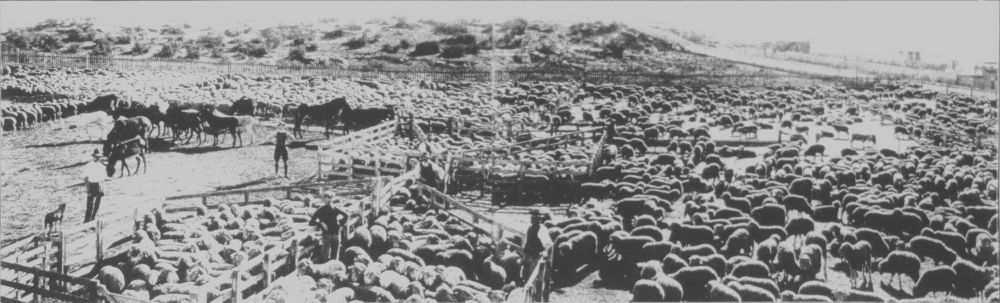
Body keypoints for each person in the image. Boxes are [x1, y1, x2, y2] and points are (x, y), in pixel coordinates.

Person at [309, 198, 349, 262]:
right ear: (324, 200)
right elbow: (311, 222)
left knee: (333, 256)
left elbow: (346, 215)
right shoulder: (321, 210)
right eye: (326, 198)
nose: (328, 200)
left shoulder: (333, 208)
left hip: (334, 234)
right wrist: (320, 223)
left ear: (332, 199)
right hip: (328, 235)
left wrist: (340, 223)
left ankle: (333, 270)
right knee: (326, 256)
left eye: (329, 198)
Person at [521, 207, 553, 285]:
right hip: (527, 255)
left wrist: (544, 253)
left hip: (535, 257)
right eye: (531, 217)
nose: (531, 219)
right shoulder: (529, 227)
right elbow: (526, 240)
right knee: (525, 275)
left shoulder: (542, 229)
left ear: (539, 218)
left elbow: (548, 244)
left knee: (534, 277)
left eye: (534, 218)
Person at [80, 149, 109, 223]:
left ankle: (93, 220)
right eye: (96, 156)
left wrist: (103, 187)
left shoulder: (101, 165)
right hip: (92, 185)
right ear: (93, 157)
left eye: (99, 157)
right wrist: (88, 189)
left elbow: (103, 178)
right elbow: (86, 178)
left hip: (99, 185)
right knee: (90, 205)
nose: (98, 158)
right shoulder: (89, 165)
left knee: (97, 205)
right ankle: (86, 222)